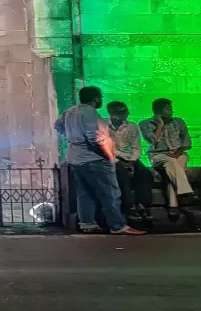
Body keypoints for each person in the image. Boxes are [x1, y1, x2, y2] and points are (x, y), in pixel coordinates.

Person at [55, 86, 145, 235]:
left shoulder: (70, 111)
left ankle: (87, 223)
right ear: (96, 98)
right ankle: (117, 225)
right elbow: (93, 138)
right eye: (100, 97)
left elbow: (58, 125)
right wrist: (108, 156)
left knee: (85, 192)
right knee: (110, 192)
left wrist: (72, 136)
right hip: (94, 159)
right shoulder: (89, 112)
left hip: (76, 157)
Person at [141, 98, 195, 221]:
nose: (172, 111)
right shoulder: (145, 124)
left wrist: (178, 153)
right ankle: (185, 193)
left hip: (179, 154)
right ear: (159, 111)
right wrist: (159, 125)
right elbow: (152, 141)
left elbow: (187, 141)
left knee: (172, 167)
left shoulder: (179, 122)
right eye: (168, 109)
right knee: (171, 163)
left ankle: (173, 206)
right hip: (158, 155)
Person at [107, 101, 152, 221]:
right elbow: (107, 149)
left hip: (129, 158)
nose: (127, 114)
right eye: (123, 112)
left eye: (126, 111)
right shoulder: (103, 127)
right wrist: (121, 159)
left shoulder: (132, 127)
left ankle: (143, 204)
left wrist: (131, 160)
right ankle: (129, 206)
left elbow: (136, 147)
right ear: (113, 113)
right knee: (122, 174)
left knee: (144, 173)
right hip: (112, 159)